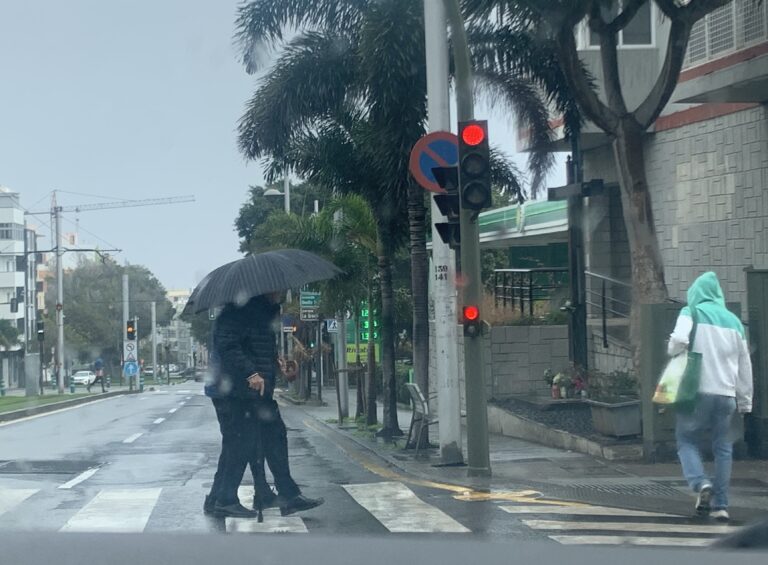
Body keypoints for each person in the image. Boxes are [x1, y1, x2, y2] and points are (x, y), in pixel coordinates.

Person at [204, 292, 322, 518]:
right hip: (238, 390)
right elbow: (229, 346)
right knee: (242, 443)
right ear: (264, 289)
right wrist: (251, 373)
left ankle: (277, 494)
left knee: (269, 437)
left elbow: (257, 347)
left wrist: (278, 365)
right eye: (279, 289)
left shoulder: (262, 312)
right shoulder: (237, 312)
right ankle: (226, 498)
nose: (283, 293)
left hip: (258, 389)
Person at [668, 272, 753, 522]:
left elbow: (679, 340)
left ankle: (700, 483)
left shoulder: (691, 312)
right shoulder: (735, 322)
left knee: (686, 440)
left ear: (695, 293)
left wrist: (673, 349)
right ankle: (721, 506)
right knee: (723, 449)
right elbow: (744, 364)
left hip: (696, 393)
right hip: (726, 395)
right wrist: (745, 400)